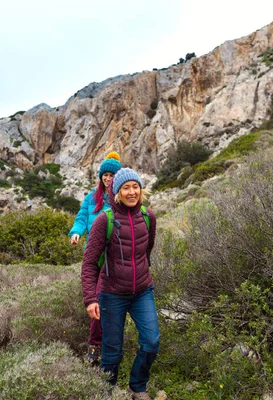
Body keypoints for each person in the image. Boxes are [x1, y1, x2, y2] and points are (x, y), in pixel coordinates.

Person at [81, 168, 159, 400]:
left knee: (151, 342)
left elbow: (147, 250)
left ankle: (137, 387)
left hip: (142, 292)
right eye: (126, 188)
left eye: (135, 186)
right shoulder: (105, 220)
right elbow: (89, 264)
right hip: (112, 295)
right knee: (112, 353)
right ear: (117, 192)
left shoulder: (148, 217)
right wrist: (90, 298)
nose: (132, 192)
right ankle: (106, 392)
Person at [69, 151, 122, 364]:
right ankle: (95, 345)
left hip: (116, 258)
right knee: (99, 300)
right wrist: (76, 231)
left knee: (114, 302)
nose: (108, 178)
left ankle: (113, 343)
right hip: (96, 257)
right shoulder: (92, 198)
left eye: (112, 175)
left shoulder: (120, 197)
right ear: (100, 176)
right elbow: (82, 217)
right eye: (105, 175)